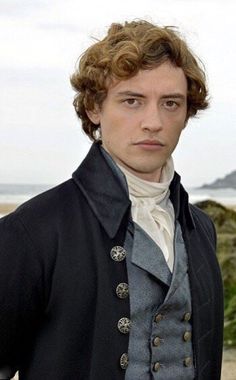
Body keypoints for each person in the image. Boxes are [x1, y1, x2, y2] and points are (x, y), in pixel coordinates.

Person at [0, 20, 223, 380]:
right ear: (93, 108)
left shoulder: (201, 228)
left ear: (187, 113)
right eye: (132, 101)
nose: (154, 122)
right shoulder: (32, 231)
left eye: (171, 103)